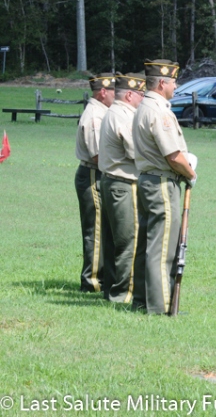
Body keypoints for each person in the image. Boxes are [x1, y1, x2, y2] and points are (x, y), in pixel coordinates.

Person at [131, 60, 197, 315]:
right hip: (161, 182)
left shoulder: (143, 106)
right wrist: (191, 173)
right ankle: (160, 306)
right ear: (161, 83)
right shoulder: (159, 111)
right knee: (163, 247)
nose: (176, 86)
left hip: (147, 179)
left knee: (146, 245)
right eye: (173, 81)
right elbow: (173, 156)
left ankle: (141, 299)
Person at [98, 73, 146, 303]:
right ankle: (123, 293)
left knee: (112, 240)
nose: (143, 99)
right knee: (129, 241)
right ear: (129, 95)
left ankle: (111, 289)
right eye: (140, 94)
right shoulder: (124, 116)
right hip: (124, 183)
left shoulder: (113, 112)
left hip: (111, 181)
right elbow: (136, 151)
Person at [75, 73, 115, 293]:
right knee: (95, 229)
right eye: (113, 91)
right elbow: (99, 156)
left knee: (102, 228)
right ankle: (91, 281)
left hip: (98, 173)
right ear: (102, 92)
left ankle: (101, 277)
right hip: (93, 174)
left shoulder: (102, 113)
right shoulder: (95, 117)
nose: (116, 95)